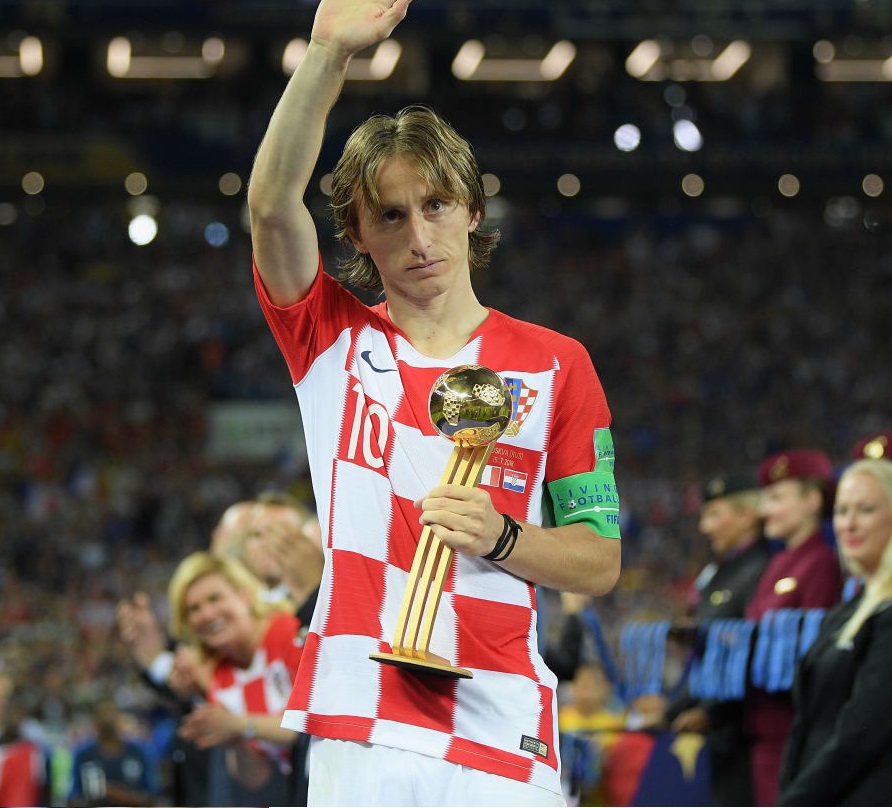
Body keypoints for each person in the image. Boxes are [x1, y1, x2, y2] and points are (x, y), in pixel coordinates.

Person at [246, 0, 622, 803]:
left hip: (504, 724)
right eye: (390, 215)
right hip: (363, 720)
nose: (418, 237)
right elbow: (272, 207)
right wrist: (325, 53)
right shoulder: (330, 344)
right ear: (358, 235)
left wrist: (504, 536)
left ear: (472, 210)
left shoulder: (558, 364)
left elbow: (599, 559)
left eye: (436, 206)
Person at [776, 457, 892, 805]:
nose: (849, 524)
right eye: (841, 511)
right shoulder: (851, 608)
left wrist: (794, 799)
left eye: (866, 509)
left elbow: (862, 732)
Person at [662, 469, 771, 806]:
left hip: (745, 732)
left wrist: (711, 713)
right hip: (720, 735)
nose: (704, 527)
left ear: (747, 514)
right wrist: (671, 711)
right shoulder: (721, 572)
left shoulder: (763, 569)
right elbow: (707, 660)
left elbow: (751, 652)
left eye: (714, 514)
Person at [743, 448, 843, 806]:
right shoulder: (778, 561)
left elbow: (813, 649)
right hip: (762, 728)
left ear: (813, 500)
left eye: (777, 497)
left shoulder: (821, 564)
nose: (765, 509)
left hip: (790, 728)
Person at [167, 551, 305, 807]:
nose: (207, 614)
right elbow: (257, 780)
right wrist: (235, 741)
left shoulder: (287, 632)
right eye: (193, 609)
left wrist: (240, 725)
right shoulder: (220, 678)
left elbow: (308, 727)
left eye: (215, 598)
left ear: (244, 595)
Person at [68, 698, 158, 808]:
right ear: (95, 722)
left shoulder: (137, 752)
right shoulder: (83, 755)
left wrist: (122, 796)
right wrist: (98, 797)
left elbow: (152, 798)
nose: (107, 720)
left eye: (111, 716)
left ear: (119, 721)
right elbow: (72, 800)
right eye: (103, 716)